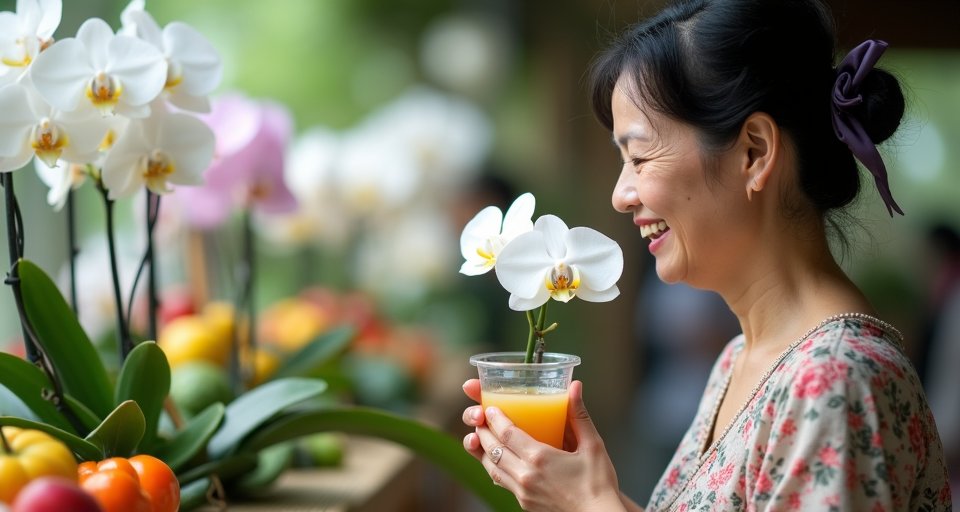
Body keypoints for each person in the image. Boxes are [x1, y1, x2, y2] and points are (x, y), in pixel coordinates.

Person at [459, 0, 953, 510]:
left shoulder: (834, 378)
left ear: (754, 153)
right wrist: (577, 493)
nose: (620, 194)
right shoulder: (742, 360)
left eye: (641, 157)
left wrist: (592, 505)